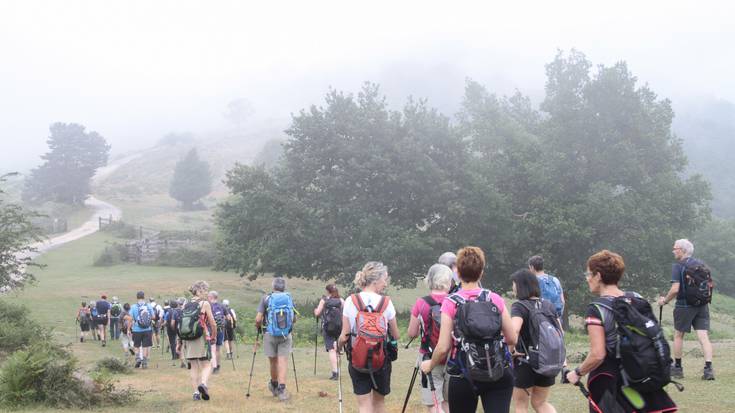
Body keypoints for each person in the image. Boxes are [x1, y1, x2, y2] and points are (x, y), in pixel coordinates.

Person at [566, 250, 677, 412]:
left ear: (598, 276)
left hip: (611, 379)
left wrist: (577, 372)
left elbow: (598, 354)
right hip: (640, 374)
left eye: (589, 274)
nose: (587, 278)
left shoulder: (596, 308)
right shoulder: (636, 298)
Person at [421, 246, 517, 413]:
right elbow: (512, 338)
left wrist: (430, 364)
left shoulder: (450, 302)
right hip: (497, 371)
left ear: (457, 272)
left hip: (463, 373)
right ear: (481, 273)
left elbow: (443, 347)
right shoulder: (494, 299)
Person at [338, 261, 400, 413]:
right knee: (379, 403)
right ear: (376, 280)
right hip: (381, 359)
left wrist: (338, 347)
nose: (385, 283)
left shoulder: (350, 301)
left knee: (364, 405)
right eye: (384, 279)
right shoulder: (386, 302)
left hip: (357, 358)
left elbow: (345, 335)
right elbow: (396, 334)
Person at [658, 239, 715, 380]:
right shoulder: (701, 264)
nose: (673, 251)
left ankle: (677, 368)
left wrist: (664, 301)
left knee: (678, 335)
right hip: (702, 305)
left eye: (675, 248)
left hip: (684, 306)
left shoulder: (678, 266)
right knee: (703, 336)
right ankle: (708, 369)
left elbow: (675, 289)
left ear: (682, 250)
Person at [510, 269, 560, 413]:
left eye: (514, 283)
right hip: (547, 360)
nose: (513, 287)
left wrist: (510, 351)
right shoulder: (548, 305)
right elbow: (559, 331)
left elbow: (514, 331)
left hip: (525, 362)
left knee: (521, 406)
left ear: (521, 285)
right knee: (540, 403)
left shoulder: (519, 306)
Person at [408, 264, 452, 413]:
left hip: (429, 357)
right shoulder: (455, 301)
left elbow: (412, 333)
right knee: (447, 402)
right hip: (452, 357)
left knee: (433, 404)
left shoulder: (421, 303)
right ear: (448, 281)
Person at [256, 277, 297, 402]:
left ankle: (274, 384)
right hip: (286, 334)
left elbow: (258, 319)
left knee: (273, 362)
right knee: (283, 361)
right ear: (284, 287)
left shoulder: (266, 298)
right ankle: (282, 389)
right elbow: (294, 319)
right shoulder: (289, 298)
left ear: (273, 286)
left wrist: (258, 327)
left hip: (269, 334)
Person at [181, 280, 217, 401]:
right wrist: (214, 335)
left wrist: (180, 342)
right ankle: (203, 384)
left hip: (188, 337)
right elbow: (213, 323)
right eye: (205, 290)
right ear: (199, 290)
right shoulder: (204, 304)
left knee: (194, 365)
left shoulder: (185, 304)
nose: (207, 293)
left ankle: (196, 393)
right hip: (202, 336)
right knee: (207, 364)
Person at [314, 284, 345, 380]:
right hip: (339, 328)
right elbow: (345, 313)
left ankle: (335, 372)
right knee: (337, 349)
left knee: (331, 349)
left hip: (328, 328)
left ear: (327, 291)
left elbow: (317, 313)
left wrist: (315, 310)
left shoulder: (324, 300)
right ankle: (338, 370)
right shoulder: (341, 300)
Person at [130, 291, 154, 369]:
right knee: (145, 346)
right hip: (147, 329)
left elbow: (131, 318)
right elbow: (153, 316)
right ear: (144, 297)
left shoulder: (133, 307)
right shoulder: (148, 306)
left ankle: (138, 358)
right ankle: (144, 362)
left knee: (136, 345)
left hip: (136, 329)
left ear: (137, 297)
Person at [208, 291, 226, 374]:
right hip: (221, 330)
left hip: (212, 330)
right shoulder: (222, 306)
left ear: (211, 297)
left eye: (208, 297)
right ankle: (218, 366)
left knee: (213, 349)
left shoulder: (209, 306)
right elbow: (228, 317)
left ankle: (214, 367)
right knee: (218, 348)